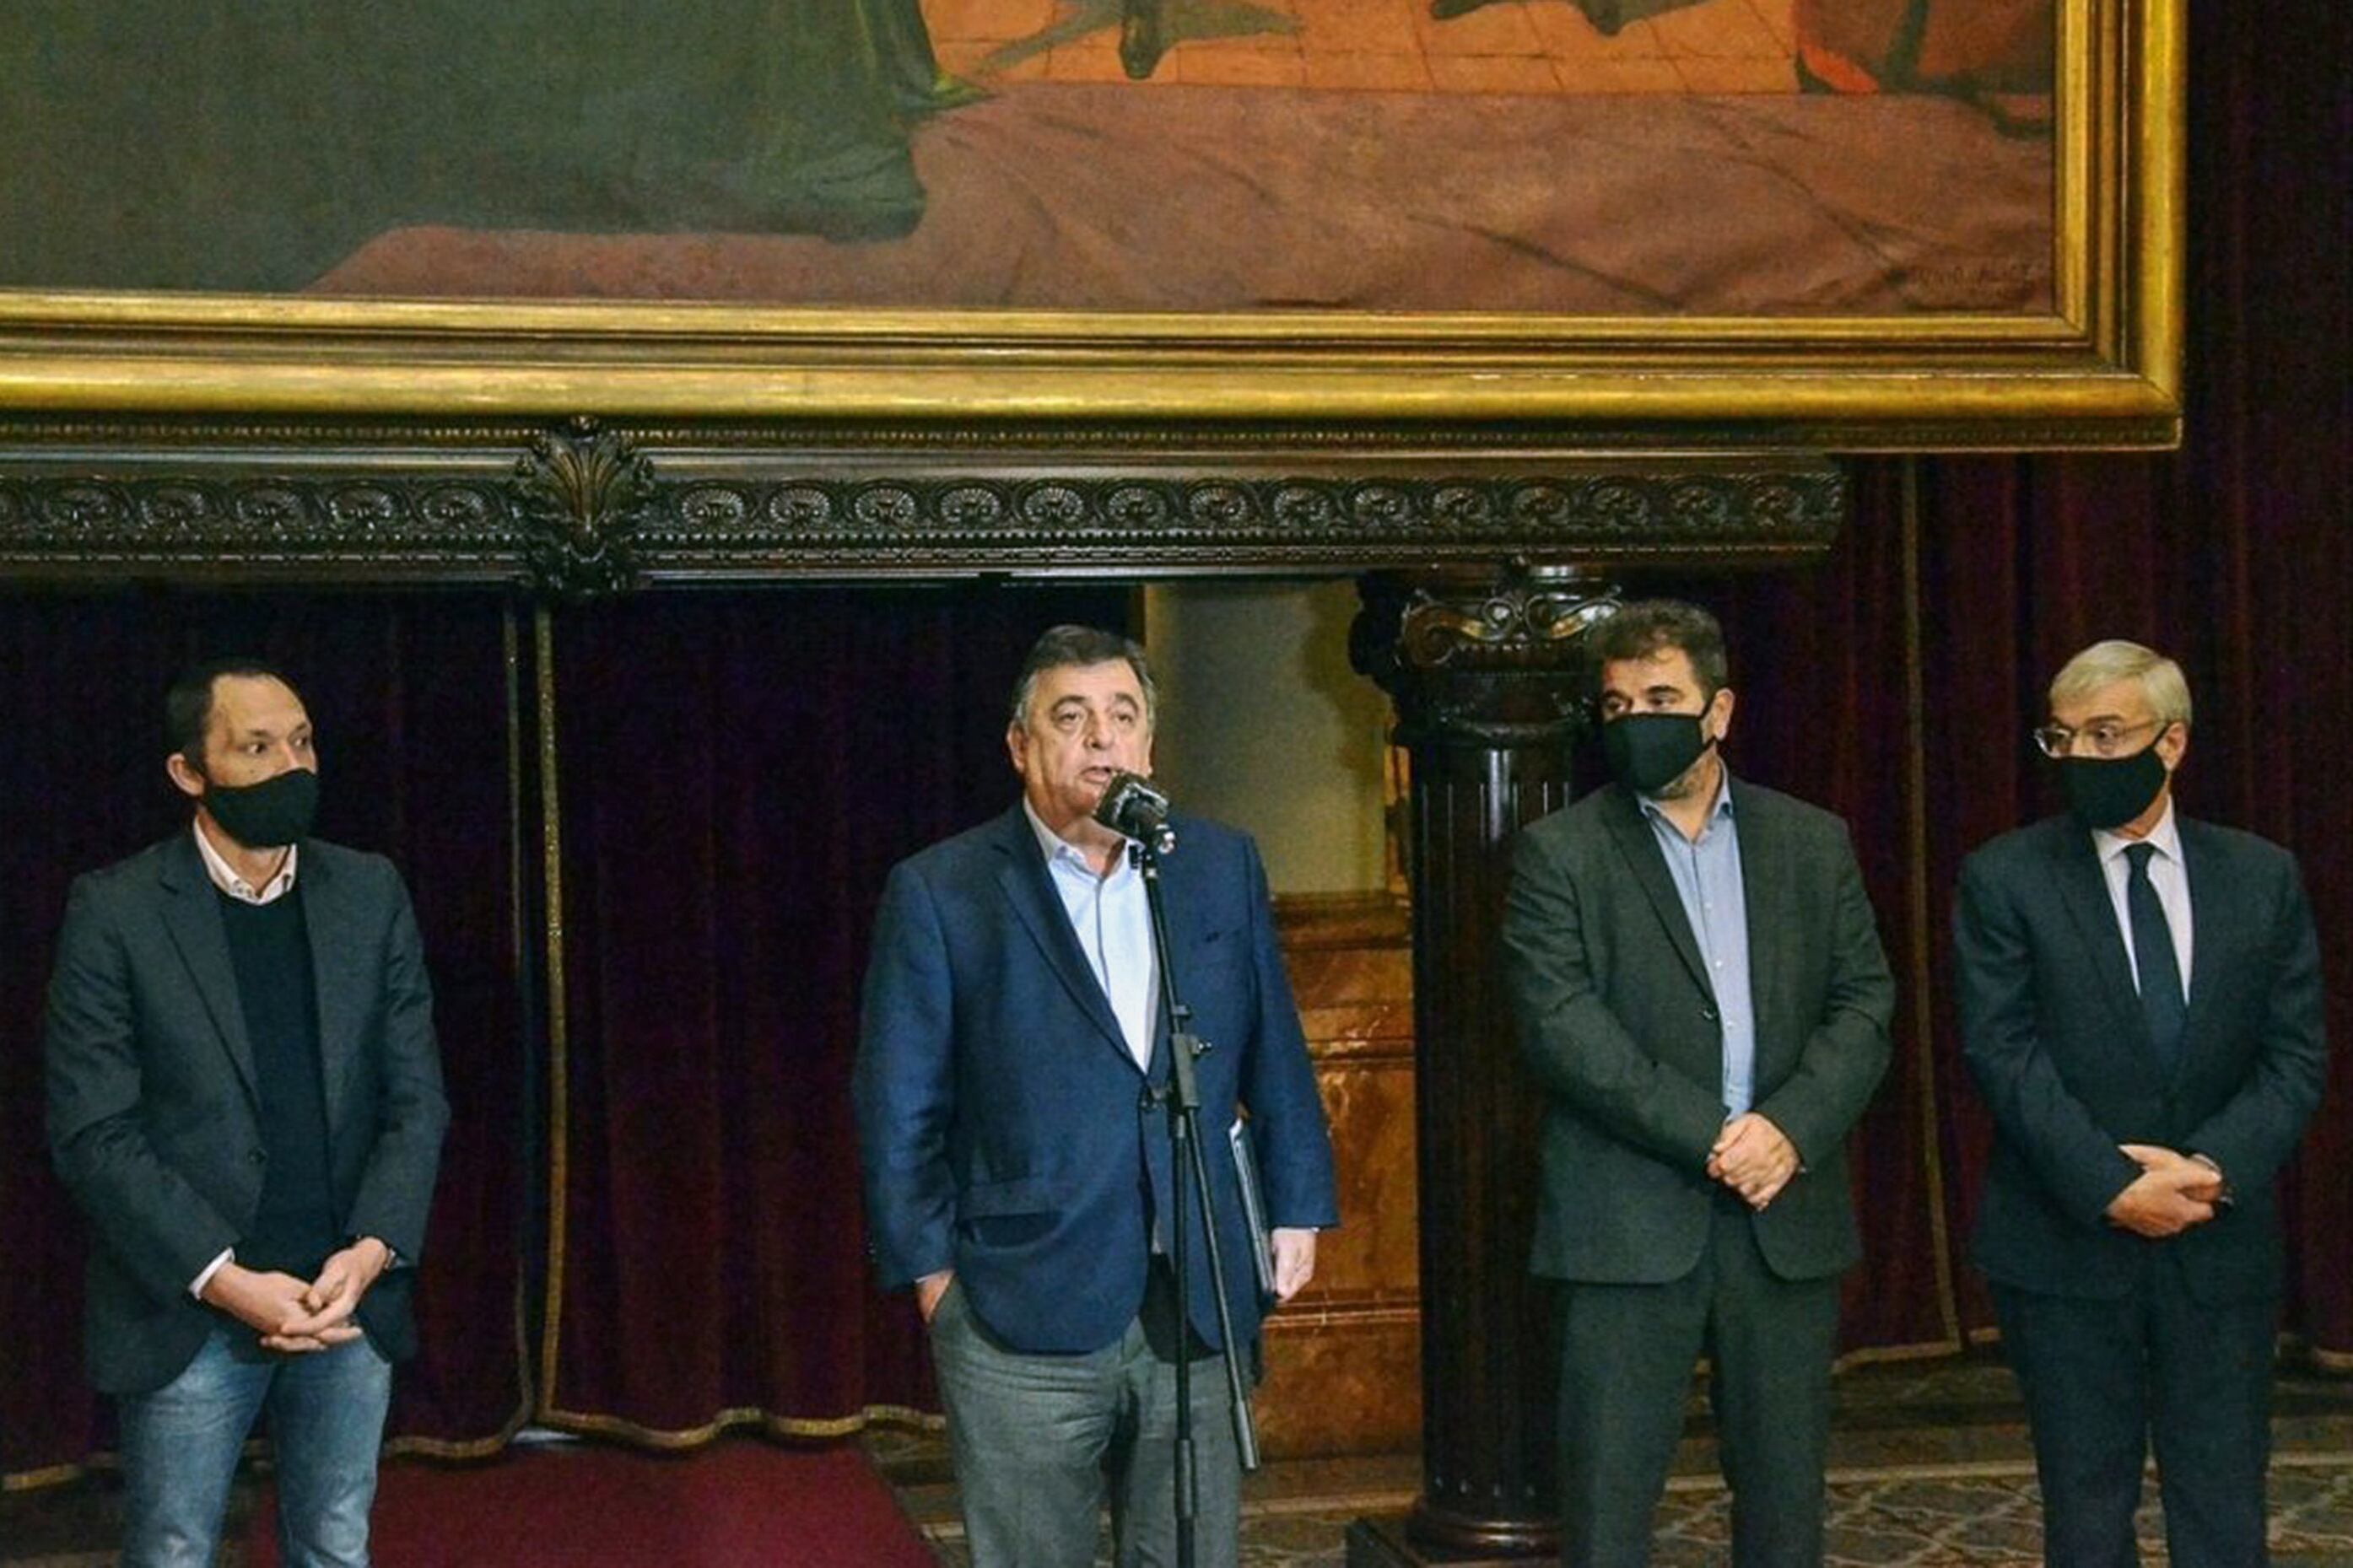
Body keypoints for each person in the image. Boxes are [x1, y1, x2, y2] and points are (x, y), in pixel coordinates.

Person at [855, 624, 1339, 1568]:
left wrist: (1297, 1205)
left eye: (1121, 716)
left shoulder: (1216, 863)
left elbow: (1273, 1045)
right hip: (1017, 1299)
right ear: (1020, 744)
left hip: (1195, 1287)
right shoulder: (943, 889)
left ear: (1148, 743)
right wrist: (931, 1277)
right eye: (1070, 718)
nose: (1101, 739)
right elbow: (896, 1102)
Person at [1501, 599, 1895, 1568]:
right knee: (1605, 1508)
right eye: (1617, 704)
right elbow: (1561, 1027)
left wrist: (1785, 1129)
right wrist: (1717, 1135)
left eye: (1660, 698)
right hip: (1625, 1221)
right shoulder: (1559, 852)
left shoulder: (1812, 841)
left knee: (1783, 1505)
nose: (1637, 720)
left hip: (1781, 1217)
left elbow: (1864, 1004)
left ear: (1717, 710)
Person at [44, 659, 449, 1567]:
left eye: (301, 742)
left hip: (345, 1296)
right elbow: (93, 1132)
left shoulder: (369, 891)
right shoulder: (116, 909)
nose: (290, 766)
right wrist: (225, 1279)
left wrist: (371, 1250)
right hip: (192, 1309)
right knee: (174, 1548)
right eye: (256, 747)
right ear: (190, 771)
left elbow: (416, 1096)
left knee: (334, 1541)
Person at [1956, 639, 2326, 1568]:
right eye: (2062, 736)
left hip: (2217, 1242)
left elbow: (2294, 1055)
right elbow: (2002, 1052)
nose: (2080, 755)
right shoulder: (2005, 876)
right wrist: (2111, 1185)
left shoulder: (2260, 875)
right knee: (2084, 1511)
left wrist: (2207, 1170)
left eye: (2105, 733)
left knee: (2224, 1505)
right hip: (2063, 1245)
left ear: (2171, 742)